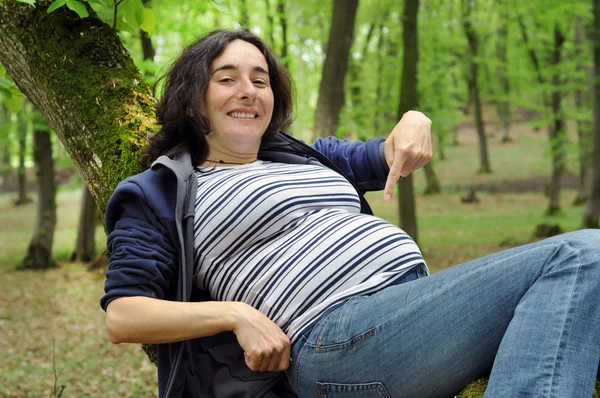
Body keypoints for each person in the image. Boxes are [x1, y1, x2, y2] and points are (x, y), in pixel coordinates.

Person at [101, 29, 600, 398]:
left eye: (260, 79)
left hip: (409, 310)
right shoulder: (161, 191)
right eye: (226, 78)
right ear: (193, 102)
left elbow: (385, 151)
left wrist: (415, 119)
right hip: (335, 339)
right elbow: (125, 315)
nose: (249, 90)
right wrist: (236, 315)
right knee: (583, 253)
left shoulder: (307, 156)